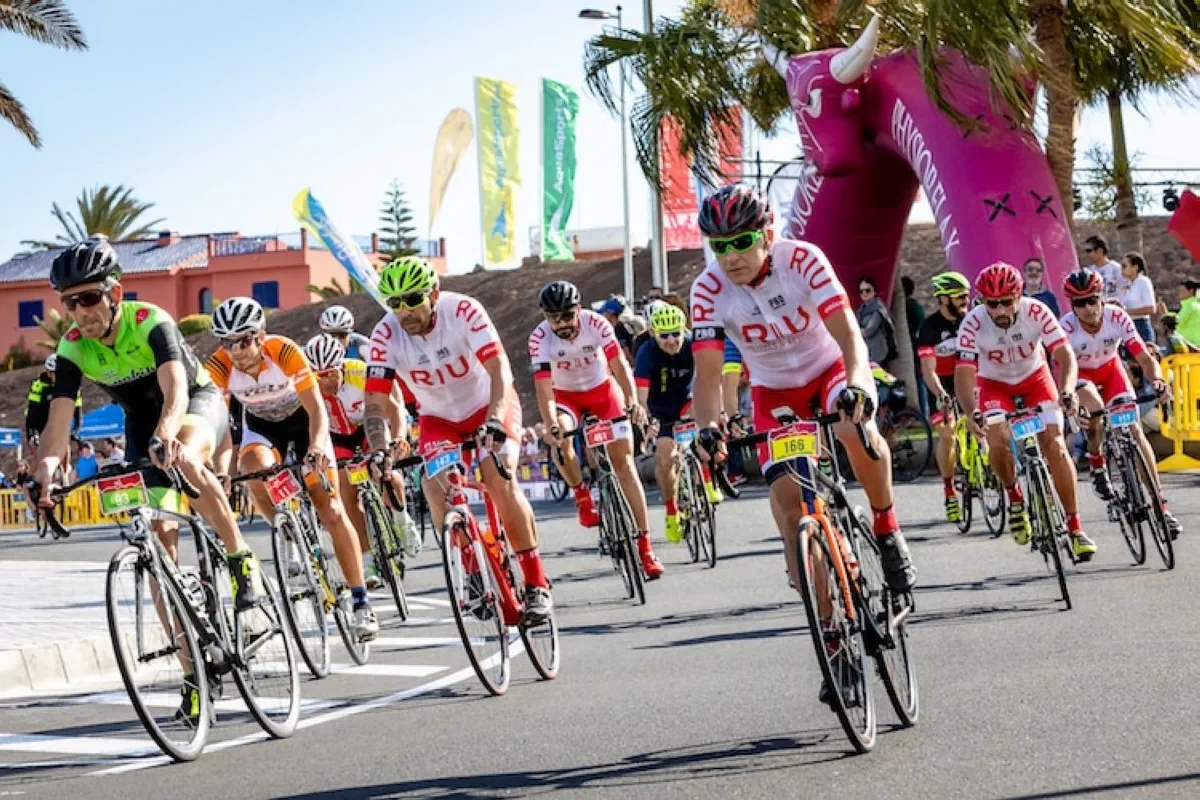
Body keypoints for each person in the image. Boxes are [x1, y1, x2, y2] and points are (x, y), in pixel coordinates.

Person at [32, 240, 264, 720]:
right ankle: (192, 673)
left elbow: (176, 388)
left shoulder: (151, 321)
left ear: (115, 293)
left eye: (89, 298)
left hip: (193, 405)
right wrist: (48, 470)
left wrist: (167, 433)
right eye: (69, 301)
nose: (80, 311)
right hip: (141, 424)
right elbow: (58, 423)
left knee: (186, 461)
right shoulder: (73, 346)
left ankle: (242, 559)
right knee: (159, 552)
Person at [689, 183, 917, 612]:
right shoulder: (708, 289)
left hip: (829, 369)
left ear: (768, 234)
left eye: (742, 242)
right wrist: (707, 430)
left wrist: (856, 385)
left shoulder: (803, 259)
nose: (731, 256)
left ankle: (887, 529)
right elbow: (706, 376)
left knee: (854, 426)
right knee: (791, 510)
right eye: (720, 246)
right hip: (774, 391)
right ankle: (833, 635)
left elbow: (850, 336)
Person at [362, 257, 554, 623]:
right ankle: (473, 573)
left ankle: (536, 584)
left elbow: (499, 369)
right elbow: (374, 400)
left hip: (488, 405)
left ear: (433, 293)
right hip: (439, 419)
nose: (404, 311)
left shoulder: (463, 310)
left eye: (412, 299)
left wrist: (496, 418)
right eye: (394, 303)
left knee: (498, 479)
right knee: (438, 490)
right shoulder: (385, 335)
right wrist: (378, 450)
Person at [206, 297, 378, 640]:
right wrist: (221, 471)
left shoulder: (283, 351)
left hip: (304, 424)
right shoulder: (219, 365)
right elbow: (222, 428)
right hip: (261, 427)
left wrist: (316, 446)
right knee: (251, 467)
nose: (235, 350)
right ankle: (288, 532)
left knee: (330, 509)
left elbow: (317, 408)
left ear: (260, 335)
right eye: (226, 342)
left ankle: (361, 602)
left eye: (243, 340)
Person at [954, 261, 1097, 560]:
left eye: (1007, 302)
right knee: (997, 440)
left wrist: (1068, 390)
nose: (1001, 310)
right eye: (992, 304)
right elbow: (965, 374)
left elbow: (1064, 356)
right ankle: (1015, 497)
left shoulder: (1036, 311)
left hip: (1036, 379)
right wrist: (971, 412)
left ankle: (1075, 528)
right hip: (994, 385)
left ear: (1018, 297)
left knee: (1055, 446)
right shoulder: (972, 322)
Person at [531, 280, 664, 579]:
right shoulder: (540, 338)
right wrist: (552, 424)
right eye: (553, 318)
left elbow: (619, 366)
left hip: (603, 392)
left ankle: (645, 548)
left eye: (566, 316)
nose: (561, 324)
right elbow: (543, 390)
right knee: (561, 439)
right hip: (566, 398)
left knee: (625, 466)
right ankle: (581, 493)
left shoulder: (597, 323)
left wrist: (632, 402)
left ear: (578, 310)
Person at [1059, 269, 1180, 537]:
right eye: (1080, 303)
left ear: (1101, 297)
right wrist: (1070, 398)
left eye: (1092, 299)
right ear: (1072, 305)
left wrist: (1158, 381)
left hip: (1112, 371)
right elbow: (1061, 369)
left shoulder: (1116, 316)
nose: (1088, 308)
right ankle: (1097, 462)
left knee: (1135, 431)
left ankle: (1161, 506)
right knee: (1095, 413)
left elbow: (1144, 358)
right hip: (1083, 376)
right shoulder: (1066, 327)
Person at [304, 333, 420, 586]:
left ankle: (402, 520)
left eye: (331, 374)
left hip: (368, 429)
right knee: (346, 491)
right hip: (338, 438)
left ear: (342, 366)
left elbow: (394, 409)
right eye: (318, 376)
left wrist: (400, 437)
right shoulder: (309, 387)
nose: (325, 382)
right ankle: (367, 559)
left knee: (388, 475)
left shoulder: (360, 373)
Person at [634, 303, 722, 544]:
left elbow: (710, 378)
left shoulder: (693, 344)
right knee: (665, 458)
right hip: (660, 409)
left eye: (676, 333)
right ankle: (672, 512)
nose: (672, 340)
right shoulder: (646, 353)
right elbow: (641, 395)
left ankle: (706, 478)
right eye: (665, 336)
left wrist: (710, 407)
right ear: (653, 334)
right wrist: (647, 420)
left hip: (688, 399)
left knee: (704, 433)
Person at [916, 271, 971, 522]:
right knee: (947, 434)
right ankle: (949, 491)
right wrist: (941, 395)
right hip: (941, 383)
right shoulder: (928, 328)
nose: (965, 301)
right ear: (943, 299)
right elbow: (928, 371)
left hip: (968, 379)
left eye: (967, 296)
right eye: (959, 296)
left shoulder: (971, 321)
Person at [25, 354, 83, 450]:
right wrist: (32, 433)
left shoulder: (72, 385)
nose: (57, 377)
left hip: (60, 423)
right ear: (48, 372)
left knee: (64, 451)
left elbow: (78, 411)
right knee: (41, 453)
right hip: (41, 423)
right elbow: (32, 411)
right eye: (54, 373)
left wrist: (75, 431)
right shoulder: (38, 384)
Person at [855, 277, 896, 367]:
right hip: (866, 353)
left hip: (878, 354)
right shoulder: (860, 310)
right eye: (861, 291)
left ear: (874, 292)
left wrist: (853, 331)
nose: (864, 293)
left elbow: (869, 331)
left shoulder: (878, 310)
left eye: (867, 290)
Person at [1118, 252, 1156, 344]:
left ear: (1135, 267)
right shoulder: (1129, 284)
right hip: (1128, 327)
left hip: (1141, 326)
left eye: (1124, 266)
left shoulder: (1143, 282)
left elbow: (1151, 308)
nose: (1121, 269)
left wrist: (1127, 312)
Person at [1082, 235, 1125, 301]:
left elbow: (1125, 290)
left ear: (1100, 250)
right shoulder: (1088, 272)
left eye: (1089, 251)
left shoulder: (1117, 269)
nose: (1087, 254)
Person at [1173, 277, 1200, 350]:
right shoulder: (1196, 304)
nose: (1179, 293)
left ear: (1190, 291)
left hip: (1188, 346)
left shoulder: (1189, 306)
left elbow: (1176, 324)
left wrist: (1165, 315)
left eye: (1182, 290)